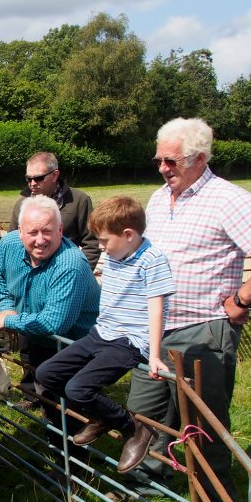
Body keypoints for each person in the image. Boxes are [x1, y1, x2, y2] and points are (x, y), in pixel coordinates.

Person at [124, 118, 251, 502]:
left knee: (203, 424)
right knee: (144, 413)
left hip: (202, 329)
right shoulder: (156, 198)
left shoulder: (227, 199)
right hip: (154, 330)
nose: (163, 168)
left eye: (171, 161)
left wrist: (242, 298)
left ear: (199, 159)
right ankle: (146, 489)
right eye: (159, 160)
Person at [35, 196, 174, 474]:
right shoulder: (114, 255)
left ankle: (133, 428)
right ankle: (101, 416)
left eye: (105, 240)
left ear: (128, 235)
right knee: (46, 374)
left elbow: (157, 308)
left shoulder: (152, 260)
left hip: (130, 340)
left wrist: (155, 355)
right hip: (102, 332)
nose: (100, 247)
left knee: (78, 388)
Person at [0, 195, 100, 461]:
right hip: (37, 336)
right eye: (32, 232)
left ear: (61, 230)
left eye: (48, 231)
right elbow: (1, 280)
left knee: (71, 406)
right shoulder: (9, 245)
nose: (40, 240)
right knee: (49, 399)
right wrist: (7, 306)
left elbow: (54, 322)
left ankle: (74, 471)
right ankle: (57, 448)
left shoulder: (70, 264)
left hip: (75, 344)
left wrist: (7, 320)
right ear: (19, 231)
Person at [9, 152, 100, 269]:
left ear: (55, 175)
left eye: (39, 178)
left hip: (67, 273)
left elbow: (92, 243)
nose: (32, 184)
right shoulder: (21, 205)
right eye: (28, 179)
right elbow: (12, 244)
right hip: (31, 275)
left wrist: (80, 271)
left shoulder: (79, 201)